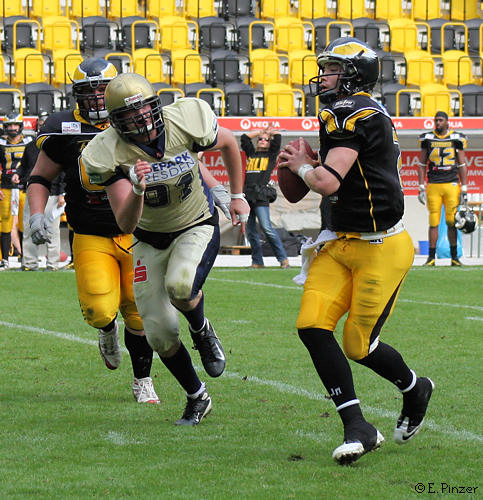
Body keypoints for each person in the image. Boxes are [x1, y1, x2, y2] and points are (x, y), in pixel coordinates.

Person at [278, 37, 434, 465]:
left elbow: (327, 182)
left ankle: (414, 388)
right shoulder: (346, 111)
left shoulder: (351, 111)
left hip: (380, 247)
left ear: (353, 75)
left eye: (332, 69)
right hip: (339, 241)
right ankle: (358, 427)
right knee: (312, 326)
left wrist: (303, 166)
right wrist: (304, 166)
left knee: (358, 344)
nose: (323, 76)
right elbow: (325, 182)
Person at [81, 72, 250, 425]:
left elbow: (230, 143)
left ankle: (201, 330)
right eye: (129, 116)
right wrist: (138, 189)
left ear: (155, 106)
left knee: (181, 286)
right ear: (115, 122)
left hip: (195, 223)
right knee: (158, 333)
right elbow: (126, 224)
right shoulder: (105, 152)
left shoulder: (185, 119)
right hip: (148, 238)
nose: (141, 120)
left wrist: (235, 194)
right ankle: (197, 396)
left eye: (144, 110)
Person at [26, 58, 160, 404]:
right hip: (90, 232)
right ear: (76, 95)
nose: (98, 97)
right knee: (100, 309)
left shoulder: (135, 120)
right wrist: (37, 214)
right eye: (89, 91)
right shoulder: (63, 128)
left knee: (138, 311)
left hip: (137, 232)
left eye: (103, 89)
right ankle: (106, 330)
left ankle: (143, 380)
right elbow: (40, 176)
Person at [16, 112, 66, 271]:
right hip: (32, 192)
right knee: (29, 227)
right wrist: (18, 175)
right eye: (41, 125)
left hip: (53, 193)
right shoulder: (31, 146)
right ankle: (29, 263)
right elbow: (24, 167)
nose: (43, 127)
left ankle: (53, 264)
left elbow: (63, 172)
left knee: (53, 230)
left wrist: (61, 193)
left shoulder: (58, 146)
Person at [417, 110, 468, 267]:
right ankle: (431, 258)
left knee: (452, 221)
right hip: (433, 184)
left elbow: (461, 163)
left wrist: (464, 187)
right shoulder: (427, 138)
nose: (438, 123)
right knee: (433, 221)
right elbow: (422, 163)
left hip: (451, 184)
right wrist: (421, 186)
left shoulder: (456, 138)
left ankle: (454, 257)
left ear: (447, 122)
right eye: (436, 120)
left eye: (440, 120)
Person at [241, 124, 289, 269]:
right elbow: (244, 138)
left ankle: (283, 259)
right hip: (248, 195)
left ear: (269, 143)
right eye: (260, 139)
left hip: (261, 195)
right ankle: (257, 261)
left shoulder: (270, 155)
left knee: (267, 228)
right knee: (251, 231)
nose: (262, 141)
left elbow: (278, 137)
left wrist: (270, 133)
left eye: (266, 140)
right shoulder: (252, 154)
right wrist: (261, 132)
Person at [0, 112, 33, 270]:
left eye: (15, 125)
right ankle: (5, 259)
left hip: (24, 187)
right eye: (9, 125)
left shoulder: (29, 141)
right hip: (5, 187)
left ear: (20, 126)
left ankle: (25, 258)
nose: (12, 128)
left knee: (24, 222)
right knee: (5, 222)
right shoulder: (1, 143)